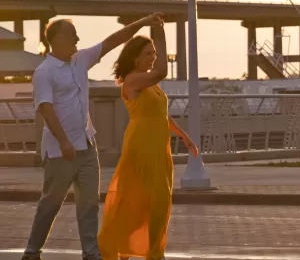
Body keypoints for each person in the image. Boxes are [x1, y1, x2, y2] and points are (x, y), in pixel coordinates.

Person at [22, 14, 163, 260]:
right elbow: (46, 107)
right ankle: (32, 251)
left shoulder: (81, 60)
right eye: (72, 34)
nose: (78, 38)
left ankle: (90, 253)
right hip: (60, 150)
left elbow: (112, 41)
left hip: (87, 145)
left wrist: (141, 22)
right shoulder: (44, 72)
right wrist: (64, 141)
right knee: (51, 203)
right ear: (57, 39)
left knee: (88, 203)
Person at [99, 15, 198, 260]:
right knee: (138, 201)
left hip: (158, 147)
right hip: (140, 147)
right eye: (148, 54)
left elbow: (161, 114)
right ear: (135, 58)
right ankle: (135, 250)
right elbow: (162, 71)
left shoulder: (151, 85)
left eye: (153, 53)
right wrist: (160, 34)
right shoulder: (133, 81)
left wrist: (183, 135)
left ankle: (147, 250)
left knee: (158, 200)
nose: (152, 58)